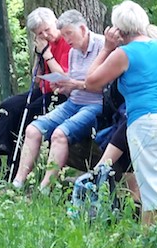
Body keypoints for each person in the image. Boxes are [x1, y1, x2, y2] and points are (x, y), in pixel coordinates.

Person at [82, 1, 157, 248]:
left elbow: (90, 82)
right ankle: (146, 242)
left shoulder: (124, 53)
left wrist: (106, 48)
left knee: (155, 188)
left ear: (119, 29)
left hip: (148, 123)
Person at [0, 7, 70, 177]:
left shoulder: (67, 41)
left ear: (55, 23)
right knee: (8, 106)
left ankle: (14, 172)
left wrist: (47, 54)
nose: (45, 35)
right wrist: (38, 55)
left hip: (61, 94)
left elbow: (63, 78)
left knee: (27, 117)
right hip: (44, 89)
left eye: (47, 30)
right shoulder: (44, 44)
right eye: (39, 33)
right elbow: (36, 78)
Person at [11, 10, 104, 191]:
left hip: (95, 104)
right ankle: (18, 181)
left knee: (59, 134)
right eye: (65, 34)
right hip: (73, 101)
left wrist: (74, 84)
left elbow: (104, 87)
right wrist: (64, 87)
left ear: (83, 29)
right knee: (32, 129)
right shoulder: (74, 51)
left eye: (69, 33)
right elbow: (67, 82)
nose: (67, 39)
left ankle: (45, 188)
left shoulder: (102, 46)